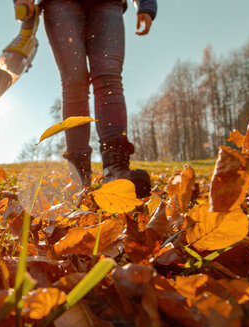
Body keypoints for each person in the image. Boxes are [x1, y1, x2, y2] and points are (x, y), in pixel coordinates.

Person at [14, 0, 156, 198]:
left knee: (109, 78)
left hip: (108, 4)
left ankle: (116, 168)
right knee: (74, 82)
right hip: (60, 3)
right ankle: (78, 175)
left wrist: (147, 5)